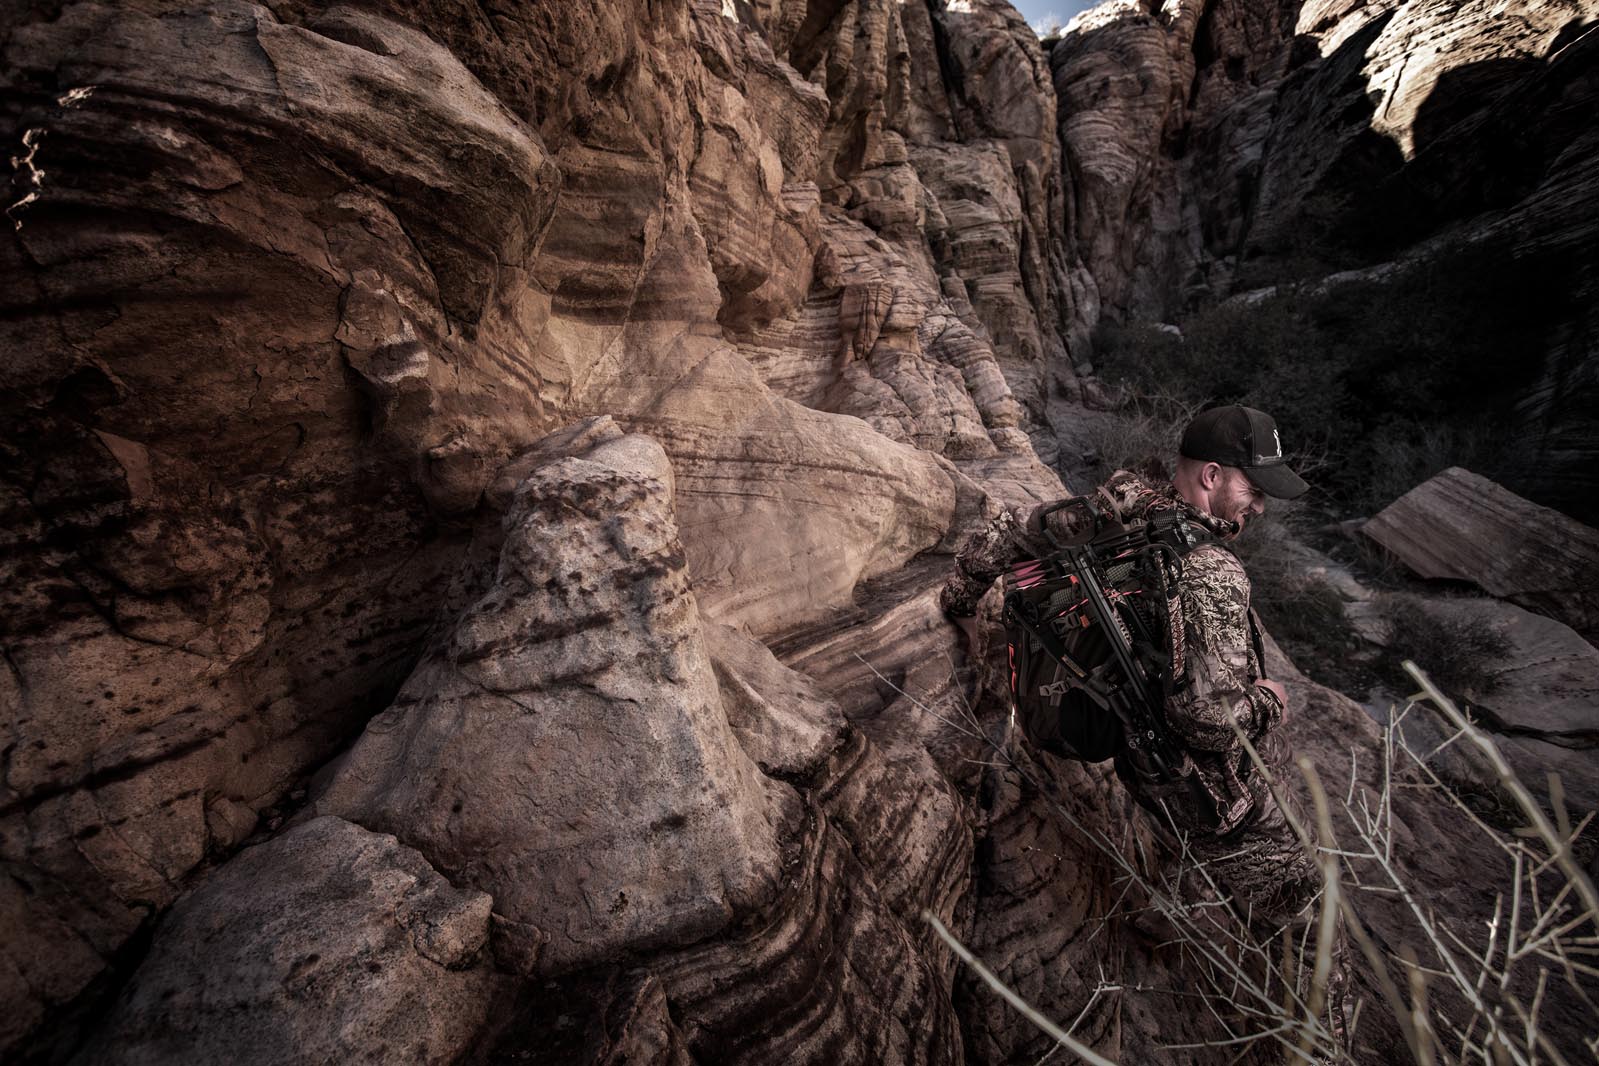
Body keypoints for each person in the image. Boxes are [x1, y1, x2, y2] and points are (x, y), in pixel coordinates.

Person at [940, 405, 1346, 1034]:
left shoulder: (1111, 519)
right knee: (1316, 930)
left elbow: (1003, 537)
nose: (1259, 508)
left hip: (1142, 765)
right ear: (1211, 475)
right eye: (1254, 490)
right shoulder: (1211, 569)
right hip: (1224, 791)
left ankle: (1171, 912)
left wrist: (961, 602)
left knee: (1178, 840)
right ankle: (1323, 1042)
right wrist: (1269, 699)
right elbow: (1206, 717)